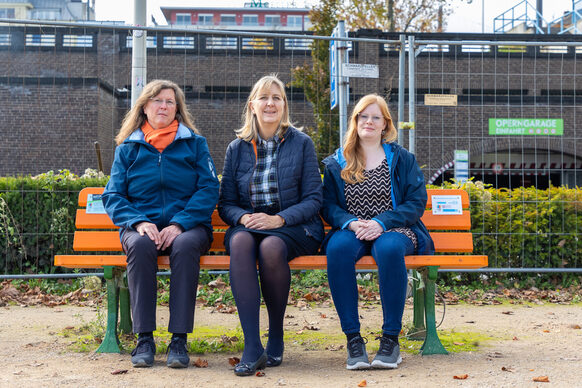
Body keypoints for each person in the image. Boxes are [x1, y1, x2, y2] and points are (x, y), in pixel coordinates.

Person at [102, 80, 219, 368]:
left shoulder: (195, 143)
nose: (163, 106)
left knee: (185, 246)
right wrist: (139, 222)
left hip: (189, 227)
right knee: (141, 248)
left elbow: (208, 189)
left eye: (169, 101)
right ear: (144, 107)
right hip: (141, 227)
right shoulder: (128, 148)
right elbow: (113, 195)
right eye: (157, 100)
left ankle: (179, 338)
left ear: (177, 108)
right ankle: (145, 339)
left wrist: (180, 223)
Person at [218, 74, 323, 376]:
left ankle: (275, 334)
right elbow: (225, 204)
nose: (270, 103)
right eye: (264, 97)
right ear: (252, 105)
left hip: (294, 225)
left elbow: (314, 198)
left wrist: (279, 219)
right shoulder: (236, 148)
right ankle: (252, 346)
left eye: (277, 98)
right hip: (251, 224)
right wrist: (241, 217)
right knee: (239, 241)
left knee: (271, 247)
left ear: (284, 106)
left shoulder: (301, 144)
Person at [321, 94, 434, 370]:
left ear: (385, 124)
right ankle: (353, 341)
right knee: (337, 249)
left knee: (389, 248)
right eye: (363, 116)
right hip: (355, 228)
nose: (369, 122)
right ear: (355, 121)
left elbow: (415, 203)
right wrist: (349, 222)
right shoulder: (339, 161)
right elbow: (328, 205)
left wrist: (382, 223)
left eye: (376, 117)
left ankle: (390, 341)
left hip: (395, 229)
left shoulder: (402, 159)